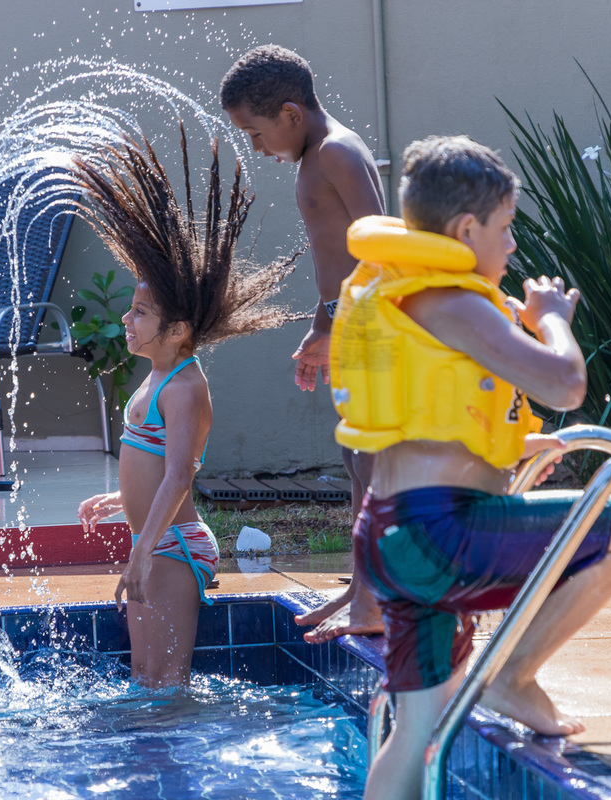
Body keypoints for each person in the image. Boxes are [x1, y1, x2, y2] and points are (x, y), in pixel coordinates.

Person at [330, 135, 611, 800]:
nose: (511, 244)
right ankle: (512, 675)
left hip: (390, 533)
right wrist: (552, 321)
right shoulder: (456, 302)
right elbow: (564, 384)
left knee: (417, 729)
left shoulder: (407, 295)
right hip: (440, 534)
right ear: (465, 229)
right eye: (505, 228)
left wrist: (515, 446)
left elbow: (435, 419)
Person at [74, 131, 298, 688]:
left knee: (167, 683)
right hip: (152, 540)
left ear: (177, 330)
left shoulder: (184, 387)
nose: (127, 320)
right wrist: (121, 500)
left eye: (140, 313)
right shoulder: (156, 375)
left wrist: (142, 552)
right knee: (143, 677)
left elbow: (179, 473)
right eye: (130, 310)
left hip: (172, 545)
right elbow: (155, 466)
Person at [220, 44, 386, 643]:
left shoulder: (336, 152)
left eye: (256, 134)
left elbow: (380, 246)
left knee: (372, 458)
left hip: (375, 325)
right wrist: (324, 324)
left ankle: (375, 598)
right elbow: (337, 260)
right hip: (352, 322)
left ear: (290, 113)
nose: (256, 148)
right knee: (354, 456)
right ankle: (361, 587)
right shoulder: (317, 154)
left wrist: (353, 324)